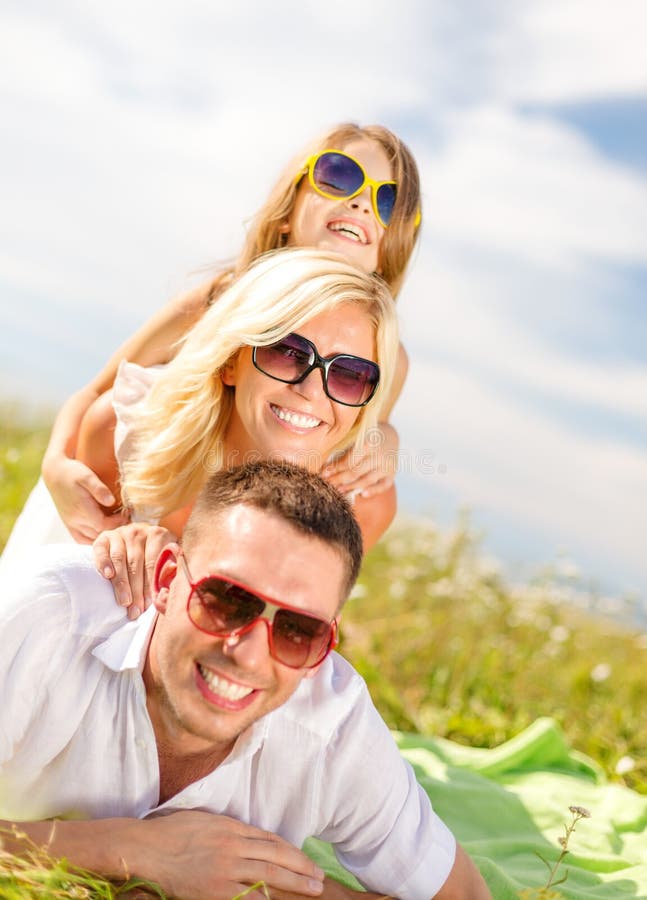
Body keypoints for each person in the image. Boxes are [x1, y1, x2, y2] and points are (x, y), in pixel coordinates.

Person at [0, 461, 490, 900]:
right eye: (228, 599)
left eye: (298, 631)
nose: (249, 655)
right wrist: (128, 850)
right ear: (168, 581)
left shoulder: (334, 733)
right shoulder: (40, 616)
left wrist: (266, 889)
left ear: (325, 650)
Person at [19, 121, 421, 547]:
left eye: (388, 200)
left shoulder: (382, 353)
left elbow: (367, 425)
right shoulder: (219, 298)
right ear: (288, 209)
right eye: (339, 176)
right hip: (140, 490)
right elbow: (100, 390)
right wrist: (56, 464)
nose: (361, 203)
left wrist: (387, 440)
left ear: (390, 248)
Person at [0, 248, 400, 600]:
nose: (312, 389)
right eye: (287, 351)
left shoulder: (363, 504)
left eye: (349, 374)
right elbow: (68, 607)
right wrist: (119, 555)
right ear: (231, 362)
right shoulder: (123, 433)